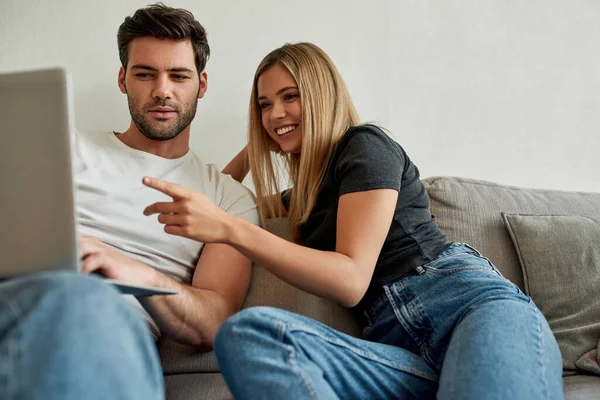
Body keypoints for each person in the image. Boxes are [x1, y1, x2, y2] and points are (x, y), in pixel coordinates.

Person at [143, 42, 564, 399]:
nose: (275, 114)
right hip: (401, 352)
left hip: (469, 309)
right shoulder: (306, 196)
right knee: (250, 333)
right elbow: (224, 198)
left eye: (290, 97)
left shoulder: (364, 146)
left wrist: (232, 230)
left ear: (322, 94)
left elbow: (351, 279)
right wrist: (257, 147)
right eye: (264, 105)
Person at [0, 4, 257, 400]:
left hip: (110, 327)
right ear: (123, 79)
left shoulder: (227, 197)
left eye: (179, 76)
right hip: (20, 299)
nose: (162, 90)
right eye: (145, 73)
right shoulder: (62, 146)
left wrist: (136, 273)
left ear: (201, 85)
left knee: (87, 301)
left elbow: (216, 320)